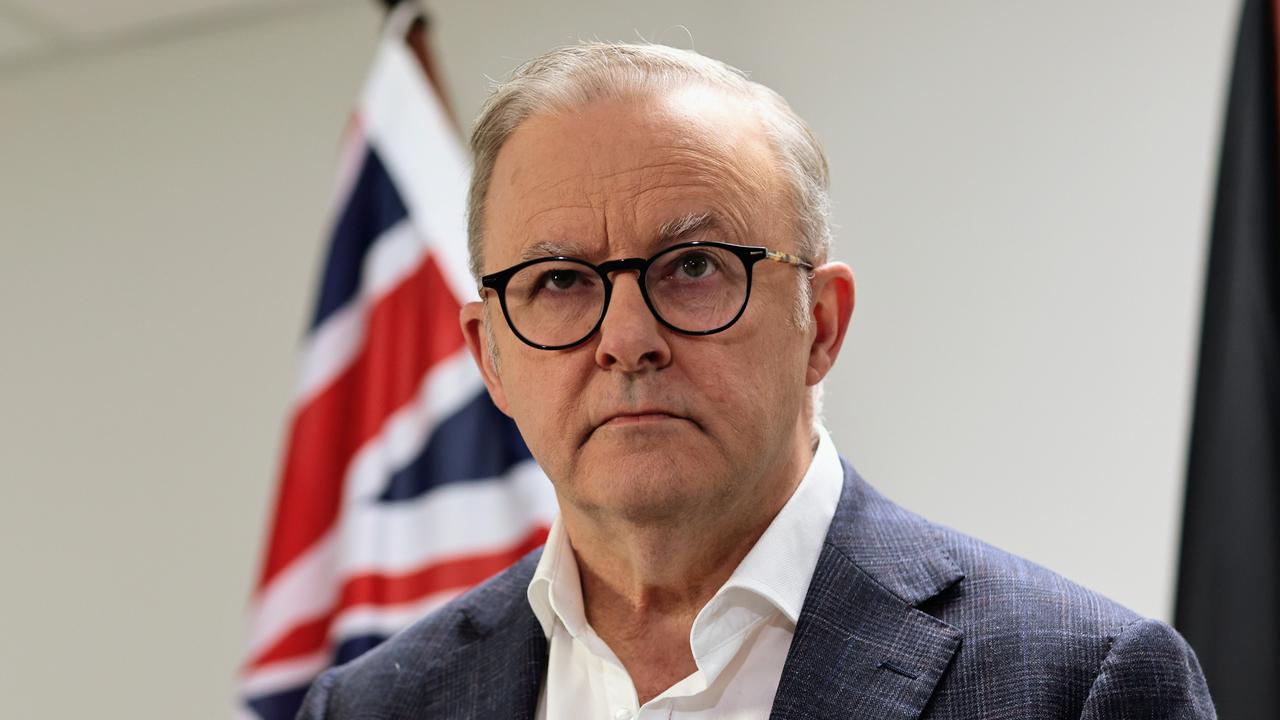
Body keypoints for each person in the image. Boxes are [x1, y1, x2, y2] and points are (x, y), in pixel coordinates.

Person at [298, 42, 1214, 719]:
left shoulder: (1081, 684)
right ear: (489, 354)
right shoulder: (373, 705)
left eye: (694, 267)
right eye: (561, 282)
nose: (627, 339)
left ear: (822, 323)